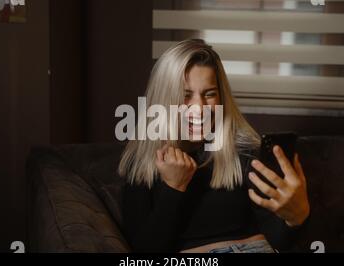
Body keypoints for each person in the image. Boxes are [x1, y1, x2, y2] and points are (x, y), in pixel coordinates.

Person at [119, 39, 310, 253]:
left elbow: (280, 241)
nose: (199, 109)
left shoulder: (245, 153)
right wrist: (174, 188)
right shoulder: (141, 164)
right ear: (164, 99)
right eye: (186, 95)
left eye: (209, 94)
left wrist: (297, 217)